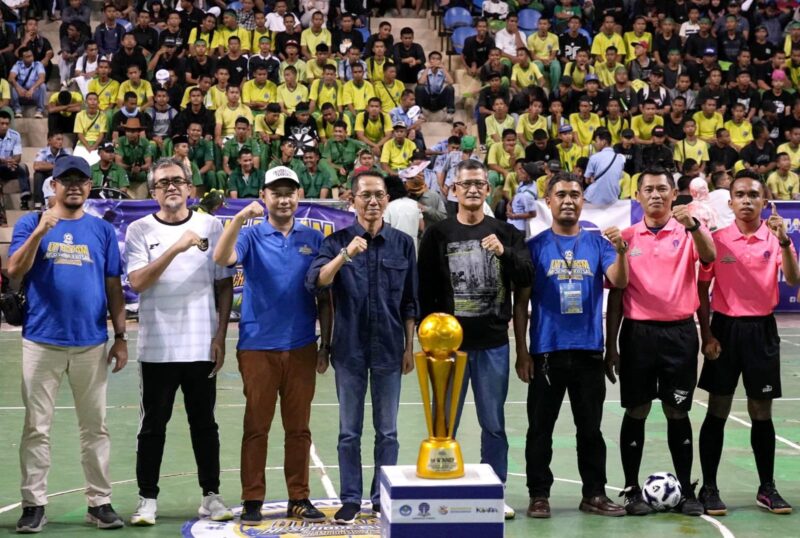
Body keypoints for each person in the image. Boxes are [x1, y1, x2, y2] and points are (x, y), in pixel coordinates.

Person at [7, 155, 127, 533]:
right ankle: (34, 504)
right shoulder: (31, 223)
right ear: (53, 186)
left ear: (89, 187)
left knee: (96, 427)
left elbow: (113, 287)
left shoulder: (102, 231)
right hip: (41, 342)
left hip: (91, 342)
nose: (74, 186)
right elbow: (13, 271)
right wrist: (42, 231)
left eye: (81, 180)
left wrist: (121, 337)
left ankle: (99, 501)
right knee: (36, 428)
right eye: (66, 180)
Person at [213, 166, 330, 526]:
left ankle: (299, 497)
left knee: (299, 429)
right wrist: (237, 220)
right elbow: (220, 258)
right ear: (264, 196)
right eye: (276, 192)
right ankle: (253, 498)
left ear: (298, 196)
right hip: (257, 345)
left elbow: (325, 294)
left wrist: (326, 343)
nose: (283, 199)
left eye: (289, 192)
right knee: (256, 426)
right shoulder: (250, 235)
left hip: (301, 346)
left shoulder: (313, 237)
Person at [418, 160, 533, 520]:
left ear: (487, 189)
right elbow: (426, 290)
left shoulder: (507, 233)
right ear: (453, 189)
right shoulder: (438, 234)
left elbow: (528, 275)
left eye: (479, 184)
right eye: (465, 184)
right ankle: (441, 486)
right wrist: (428, 340)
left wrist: (504, 253)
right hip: (448, 348)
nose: (472, 190)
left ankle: (494, 491)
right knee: (443, 422)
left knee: (493, 423)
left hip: (493, 343)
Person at [125, 158, 235, 526]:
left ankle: (211, 496)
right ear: (153, 191)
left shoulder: (211, 225)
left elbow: (223, 284)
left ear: (190, 187)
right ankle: (147, 499)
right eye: (163, 183)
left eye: (178, 181)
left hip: (201, 346)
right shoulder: (139, 230)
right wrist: (176, 248)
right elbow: (138, 282)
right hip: (156, 349)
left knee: (205, 424)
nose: (171, 187)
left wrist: (220, 335)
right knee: (152, 426)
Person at [306, 170, 417, 524]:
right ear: (351, 200)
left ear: (387, 199)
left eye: (378, 195)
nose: (372, 201)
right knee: (348, 431)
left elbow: (410, 302)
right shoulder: (335, 241)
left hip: (389, 347)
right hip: (348, 349)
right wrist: (345, 255)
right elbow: (317, 282)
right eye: (365, 195)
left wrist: (409, 346)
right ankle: (351, 498)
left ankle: (381, 496)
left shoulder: (403, 244)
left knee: (388, 431)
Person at [605, 168, 716, 516]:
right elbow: (616, 297)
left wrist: (694, 225)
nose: (655, 195)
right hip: (638, 336)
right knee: (635, 410)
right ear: (637, 196)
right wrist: (612, 346)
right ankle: (631, 489)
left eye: (662, 189)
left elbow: (710, 256)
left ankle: (685, 491)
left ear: (673, 195)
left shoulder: (689, 231)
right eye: (648, 189)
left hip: (680, 334)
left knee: (677, 410)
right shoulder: (626, 237)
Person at [519, 172, 629, 519]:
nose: (569, 200)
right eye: (561, 194)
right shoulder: (533, 248)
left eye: (575, 194)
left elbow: (619, 281)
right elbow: (520, 302)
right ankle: (539, 495)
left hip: (588, 352)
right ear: (548, 201)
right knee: (540, 430)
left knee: (591, 430)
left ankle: (594, 494)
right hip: (546, 353)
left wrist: (622, 251)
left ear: (584, 201)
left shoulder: (599, 245)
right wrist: (522, 352)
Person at [697, 172, 800, 516]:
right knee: (718, 409)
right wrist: (707, 334)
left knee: (761, 411)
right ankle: (709, 488)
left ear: (764, 201)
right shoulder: (717, 240)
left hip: (762, 329)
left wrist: (785, 242)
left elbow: (794, 278)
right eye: (739, 195)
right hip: (725, 331)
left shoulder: (776, 239)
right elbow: (702, 288)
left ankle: (767, 488)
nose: (745, 200)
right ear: (730, 202)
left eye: (753, 195)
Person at [0, 110, 31, 217]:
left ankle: (25, 197)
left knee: (23, 167)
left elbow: (18, 156)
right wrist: (5, 161)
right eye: (2, 124)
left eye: (6, 124)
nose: (4, 126)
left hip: (9, 166)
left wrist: (12, 162)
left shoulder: (15, 135)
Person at [584, 129, 624, 206]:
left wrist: (593, 179)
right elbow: (617, 177)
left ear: (603, 142)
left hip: (594, 200)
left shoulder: (594, 157)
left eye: (596, 141)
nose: (595, 144)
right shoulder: (620, 158)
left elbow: (587, 181)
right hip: (613, 200)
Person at [9, 46, 47, 118]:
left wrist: (32, 89)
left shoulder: (38, 64)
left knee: (43, 85)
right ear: (21, 58)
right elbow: (10, 78)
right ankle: (17, 110)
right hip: (21, 93)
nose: (31, 58)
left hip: (33, 93)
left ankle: (39, 110)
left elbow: (42, 78)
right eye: (27, 56)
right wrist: (18, 88)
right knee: (12, 85)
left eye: (31, 55)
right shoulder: (18, 64)